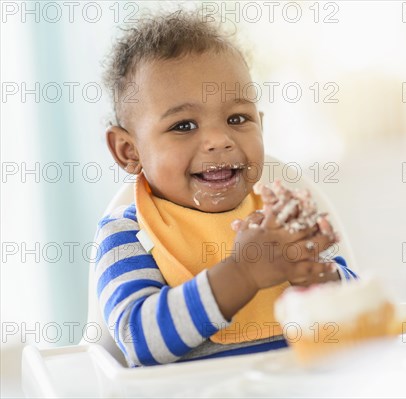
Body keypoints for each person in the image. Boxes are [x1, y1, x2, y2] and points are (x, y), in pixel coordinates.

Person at [96, 10, 357, 367]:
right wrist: (242, 273)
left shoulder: (279, 219)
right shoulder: (126, 235)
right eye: (184, 125)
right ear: (130, 150)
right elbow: (139, 340)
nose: (219, 140)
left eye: (237, 119)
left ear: (260, 125)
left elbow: (355, 311)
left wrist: (316, 277)